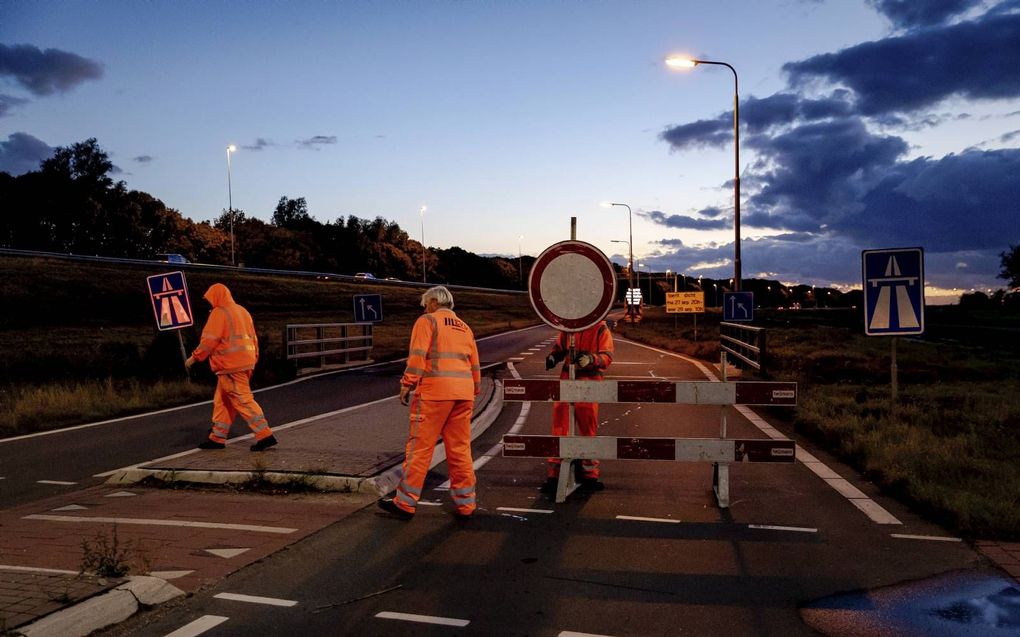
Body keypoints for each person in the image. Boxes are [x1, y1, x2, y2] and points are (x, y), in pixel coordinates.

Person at [378, 286, 482, 521]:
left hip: (435, 394)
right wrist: (474, 389)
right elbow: (475, 363)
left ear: (434, 302)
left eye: (426, 303)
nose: (424, 308)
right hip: (464, 394)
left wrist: (407, 383)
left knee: (420, 449)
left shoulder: (428, 321)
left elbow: (417, 356)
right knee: (460, 449)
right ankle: (466, 505)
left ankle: (405, 504)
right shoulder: (465, 327)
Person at [185, 283, 277, 451]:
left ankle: (265, 435)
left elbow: (209, 341)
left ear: (217, 297)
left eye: (211, 299)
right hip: (244, 363)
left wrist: (194, 357)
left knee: (242, 400)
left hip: (229, 365)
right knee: (223, 402)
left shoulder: (219, 313)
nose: (210, 302)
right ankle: (217, 438)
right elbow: (253, 338)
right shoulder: (242, 311)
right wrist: (254, 358)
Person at [543, 320, 614, 491]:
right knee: (560, 429)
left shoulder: (600, 328)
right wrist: (554, 356)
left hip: (589, 383)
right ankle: (555, 474)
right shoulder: (569, 327)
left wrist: (591, 359)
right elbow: (560, 347)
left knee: (587, 429)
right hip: (567, 381)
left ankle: (589, 475)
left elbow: (607, 356)